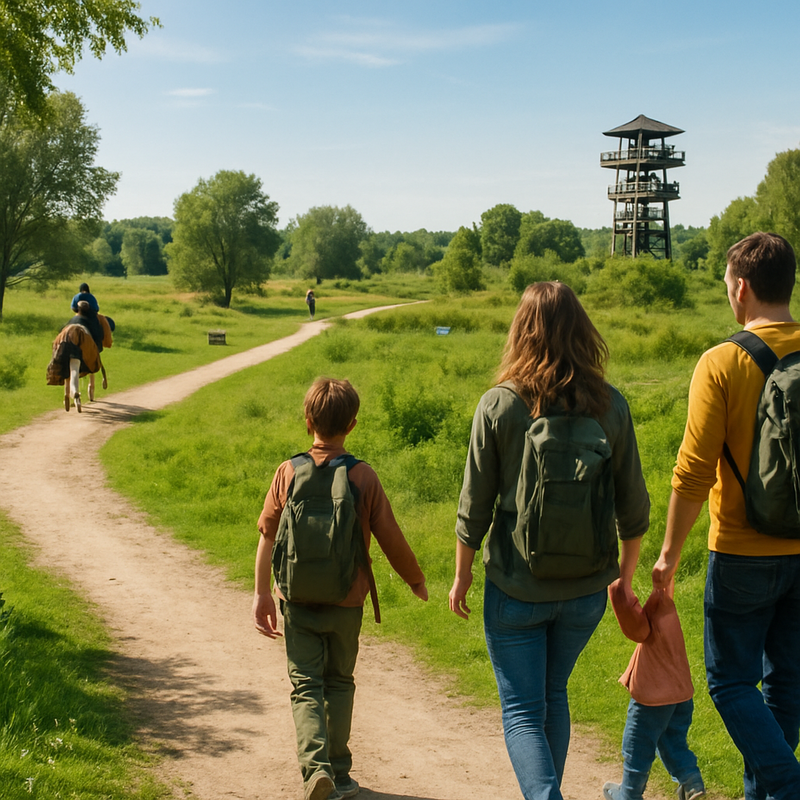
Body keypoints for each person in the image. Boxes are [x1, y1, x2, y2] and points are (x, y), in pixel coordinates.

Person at [448, 282, 650, 800]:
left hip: (516, 588)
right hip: (586, 594)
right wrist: (623, 584)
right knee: (553, 695)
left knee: (520, 711)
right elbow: (634, 509)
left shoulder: (499, 405)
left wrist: (462, 574)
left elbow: (474, 505)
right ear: (584, 331)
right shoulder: (611, 406)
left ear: (520, 331)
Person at [653, 231, 800, 799]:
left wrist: (668, 556)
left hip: (741, 551)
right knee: (786, 684)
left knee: (731, 682)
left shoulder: (722, 361)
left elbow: (694, 472)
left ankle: (787, 785)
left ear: (741, 289)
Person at [253, 377, 428, 800]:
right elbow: (391, 537)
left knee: (306, 685)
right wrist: (415, 580)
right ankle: (341, 772)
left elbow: (267, 536)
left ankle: (315, 770)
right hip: (347, 601)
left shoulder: (288, 472)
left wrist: (261, 594)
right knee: (340, 682)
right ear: (352, 423)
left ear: (308, 420)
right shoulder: (363, 476)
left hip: (295, 598)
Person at [603, 580, 705, 800]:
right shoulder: (667, 611)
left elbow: (633, 624)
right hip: (681, 695)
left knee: (636, 747)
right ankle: (692, 782)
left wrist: (621, 578)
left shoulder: (647, 625)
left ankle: (628, 794)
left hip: (651, 700)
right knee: (673, 742)